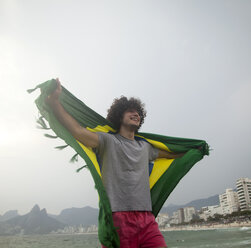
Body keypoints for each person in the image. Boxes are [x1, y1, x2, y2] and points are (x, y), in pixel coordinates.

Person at [46, 79, 183, 248]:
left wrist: (196, 149)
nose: (136, 114)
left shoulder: (146, 147)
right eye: (131, 111)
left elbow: (172, 154)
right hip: (119, 220)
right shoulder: (107, 141)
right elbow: (77, 131)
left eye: (138, 113)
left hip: (147, 220)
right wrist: (55, 103)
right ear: (120, 116)